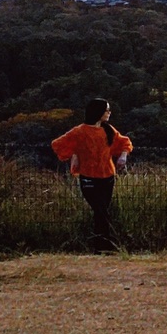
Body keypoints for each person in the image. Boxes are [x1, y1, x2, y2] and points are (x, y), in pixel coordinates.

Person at [51, 99, 132, 253]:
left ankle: (101, 248)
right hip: (88, 177)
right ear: (98, 112)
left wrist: (123, 156)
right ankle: (107, 246)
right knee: (101, 210)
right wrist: (74, 153)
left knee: (101, 212)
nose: (109, 113)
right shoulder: (79, 131)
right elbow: (58, 144)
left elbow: (124, 142)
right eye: (107, 110)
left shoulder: (109, 130)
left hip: (107, 176)